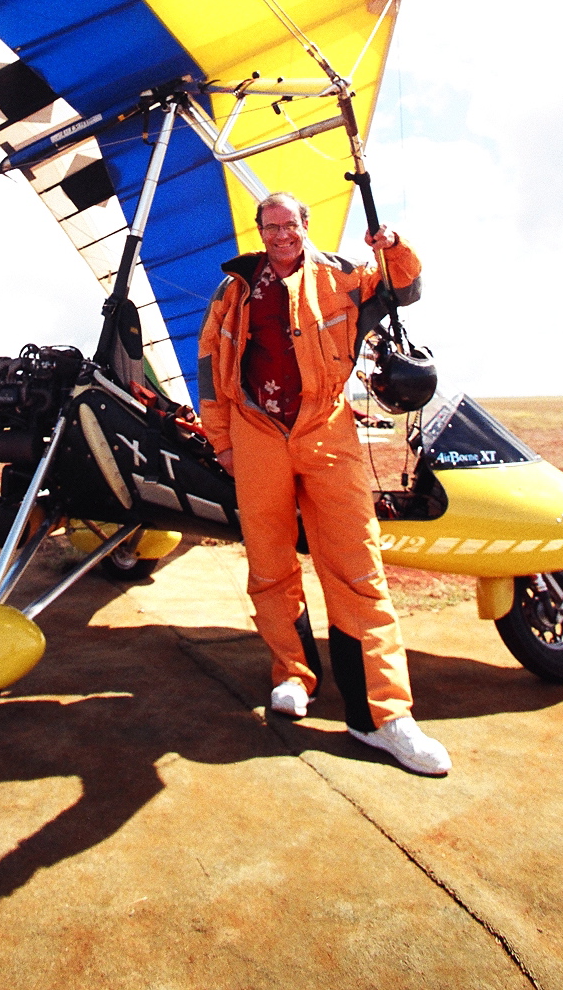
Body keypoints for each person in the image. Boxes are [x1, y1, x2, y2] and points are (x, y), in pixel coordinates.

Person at [197, 191, 451, 776]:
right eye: (271, 226)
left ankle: (384, 717)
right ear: (260, 230)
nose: (281, 234)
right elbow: (211, 368)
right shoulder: (232, 289)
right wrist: (225, 443)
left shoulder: (343, 276)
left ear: (305, 226)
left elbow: (403, 287)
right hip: (256, 432)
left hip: (326, 428)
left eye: (290, 224)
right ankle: (292, 675)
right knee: (269, 564)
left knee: (357, 570)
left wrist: (393, 246)